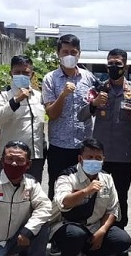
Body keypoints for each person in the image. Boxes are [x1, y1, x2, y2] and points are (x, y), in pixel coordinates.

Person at [78, 48, 131, 230]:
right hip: (98, 158)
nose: (113, 67)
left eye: (118, 64)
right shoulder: (97, 90)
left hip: (123, 157)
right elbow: (80, 116)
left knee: (120, 197)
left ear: (126, 66)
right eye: (110, 63)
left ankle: (118, 232)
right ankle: (92, 230)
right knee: (95, 195)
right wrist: (93, 104)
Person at [50, 138, 131, 256]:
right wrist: (86, 191)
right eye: (89, 158)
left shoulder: (106, 178)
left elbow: (112, 208)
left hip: (93, 226)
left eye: (98, 158)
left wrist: (102, 230)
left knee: (122, 240)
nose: (94, 161)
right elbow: (63, 202)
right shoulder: (67, 176)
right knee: (75, 235)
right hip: (65, 226)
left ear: (103, 159)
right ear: (80, 159)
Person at [41, 34, 95, 199]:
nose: (69, 56)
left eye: (73, 51)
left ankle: (79, 224)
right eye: (65, 52)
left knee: (82, 189)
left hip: (83, 146)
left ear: (79, 53)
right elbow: (52, 114)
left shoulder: (89, 78)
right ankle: (55, 224)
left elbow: (94, 107)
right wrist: (63, 95)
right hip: (59, 147)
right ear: (58, 54)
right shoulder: (50, 79)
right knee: (57, 189)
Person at [0, 55, 47, 181]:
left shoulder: (39, 96)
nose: (22, 75)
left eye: (25, 72)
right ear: (11, 73)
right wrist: (16, 100)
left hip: (35, 157)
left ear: (32, 74)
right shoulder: (3, 96)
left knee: (32, 194)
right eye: (17, 72)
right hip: (12, 158)